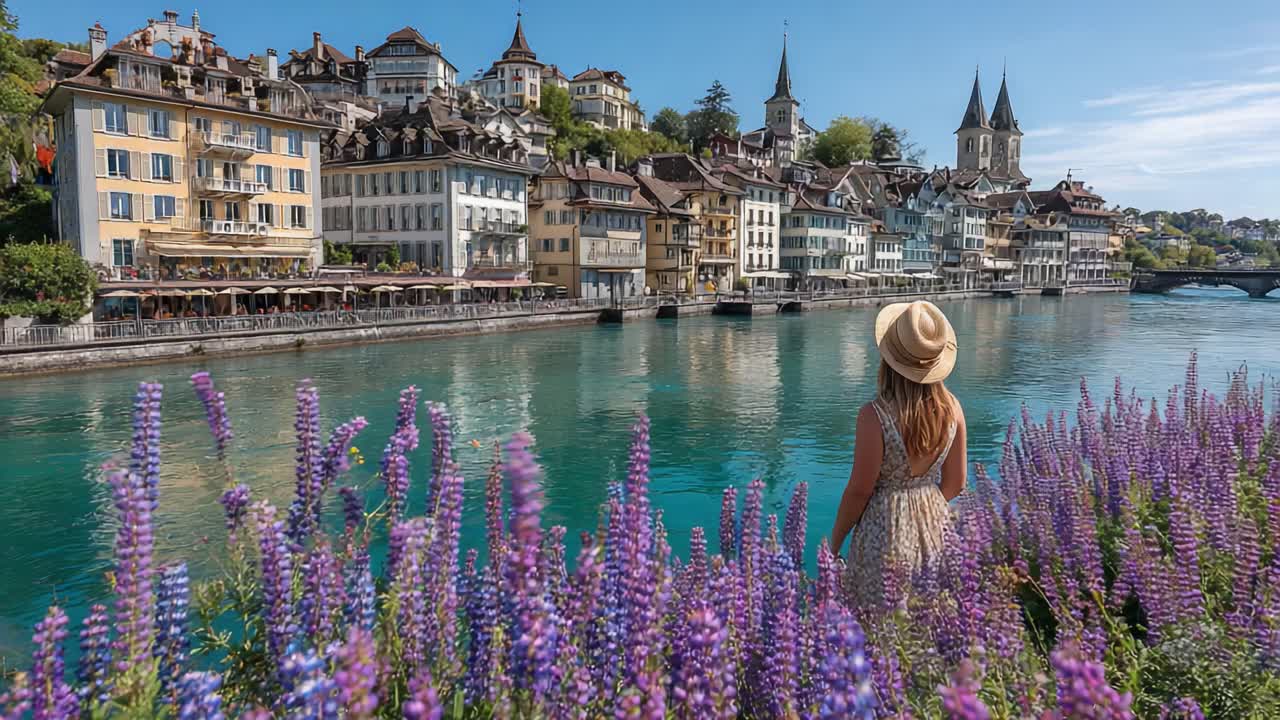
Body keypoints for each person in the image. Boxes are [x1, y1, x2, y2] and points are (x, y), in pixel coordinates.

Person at [829, 300, 967, 608]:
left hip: (885, 529)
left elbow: (859, 491)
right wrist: (924, 507)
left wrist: (834, 544)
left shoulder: (875, 415)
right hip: (937, 526)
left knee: (879, 626)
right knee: (931, 621)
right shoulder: (952, 409)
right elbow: (957, 482)